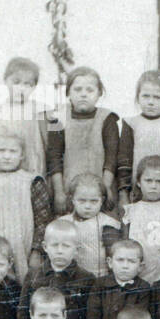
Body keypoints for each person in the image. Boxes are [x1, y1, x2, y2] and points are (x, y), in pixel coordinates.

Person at [0, 126, 52, 281]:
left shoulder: (33, 181)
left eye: (13, 151)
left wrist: (37, 252)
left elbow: (42, 220)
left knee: (24, 287)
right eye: (1, 150)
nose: (7, 156)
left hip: (23, 249)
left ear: (22, 155)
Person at [44, 65, 119, 214]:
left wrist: (105, 188)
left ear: (99, 94)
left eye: (90, 90)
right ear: (68, 93)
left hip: (100, 191)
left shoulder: (108, 119)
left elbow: (112, 156)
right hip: (68, 191)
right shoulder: (58, 118)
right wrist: (59, 192)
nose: (83, 94)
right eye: (77, 89)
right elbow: (54, 157)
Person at [116, 70, 160, 204]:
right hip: (139, 192)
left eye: (157, 97)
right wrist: (123, 193)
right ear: (138, 98)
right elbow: (124, 162)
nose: (150, 102)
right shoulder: (131, 124)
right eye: (146, 96)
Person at [86, 240, 160, 319]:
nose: (125, 266)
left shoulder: (143, 288)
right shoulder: (100, 285)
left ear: (140, 266)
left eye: (131, 261)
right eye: (120, 260)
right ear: (110, 262)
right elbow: (92, 317)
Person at [0, 56, 45, 177]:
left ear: (34, 87)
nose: (21, 88)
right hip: (3, 173)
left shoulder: (40, 111)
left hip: (33, 172)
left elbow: (46, 145)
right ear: (6, 81)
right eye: (16, 82)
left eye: (27, 84)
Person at [121, 155, 160, 285]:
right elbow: (125, 244)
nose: (153, 186)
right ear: (138, 182)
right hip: (137, 275)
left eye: (159, 181)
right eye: (148, 180)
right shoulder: (131, 210)